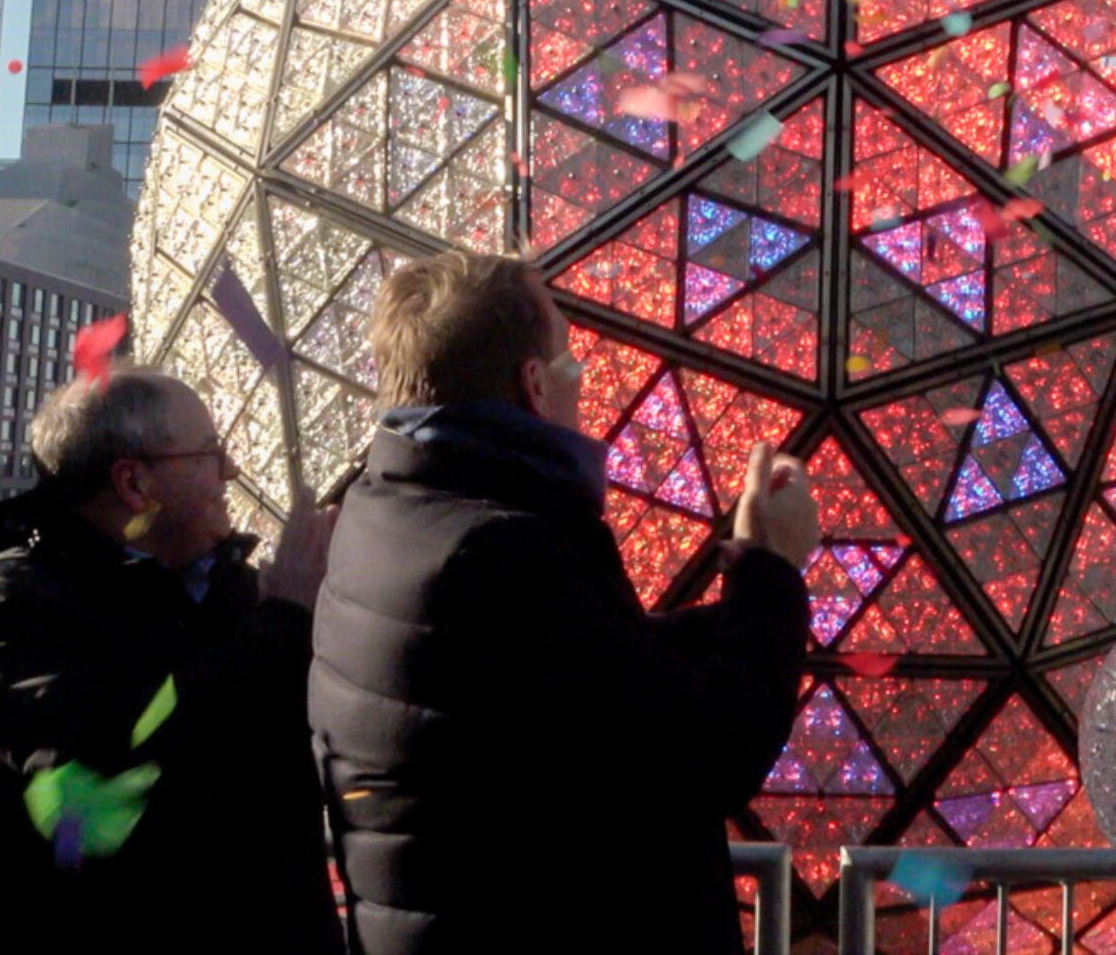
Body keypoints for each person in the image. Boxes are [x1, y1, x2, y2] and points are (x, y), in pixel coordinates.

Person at [310, 251, 816, 955]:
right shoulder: (506, 553)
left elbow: (567, 685)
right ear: (535, 386)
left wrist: (730, 622)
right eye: (572, 365)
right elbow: (709, 755)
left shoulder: (385, 514)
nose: (583, 386)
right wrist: (774, 572)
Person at [0, 369, 343, 955]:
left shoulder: (234, 593)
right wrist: (284, 625)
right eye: (210, 453)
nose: (231, 471)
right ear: (134, 484)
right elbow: (106, 787)